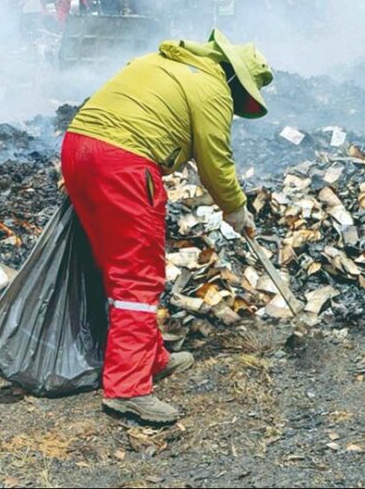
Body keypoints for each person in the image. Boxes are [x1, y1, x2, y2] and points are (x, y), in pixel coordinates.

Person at [62, 29, 273, 424]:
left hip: (79, 149)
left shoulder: (164, 62)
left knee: (115, 266)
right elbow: (216, 162)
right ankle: (127, 388)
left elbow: (154, 120)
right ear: (234, 77)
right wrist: (236, 209)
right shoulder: (211, 87)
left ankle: (150, 355)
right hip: (124, 165)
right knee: (139, 276)